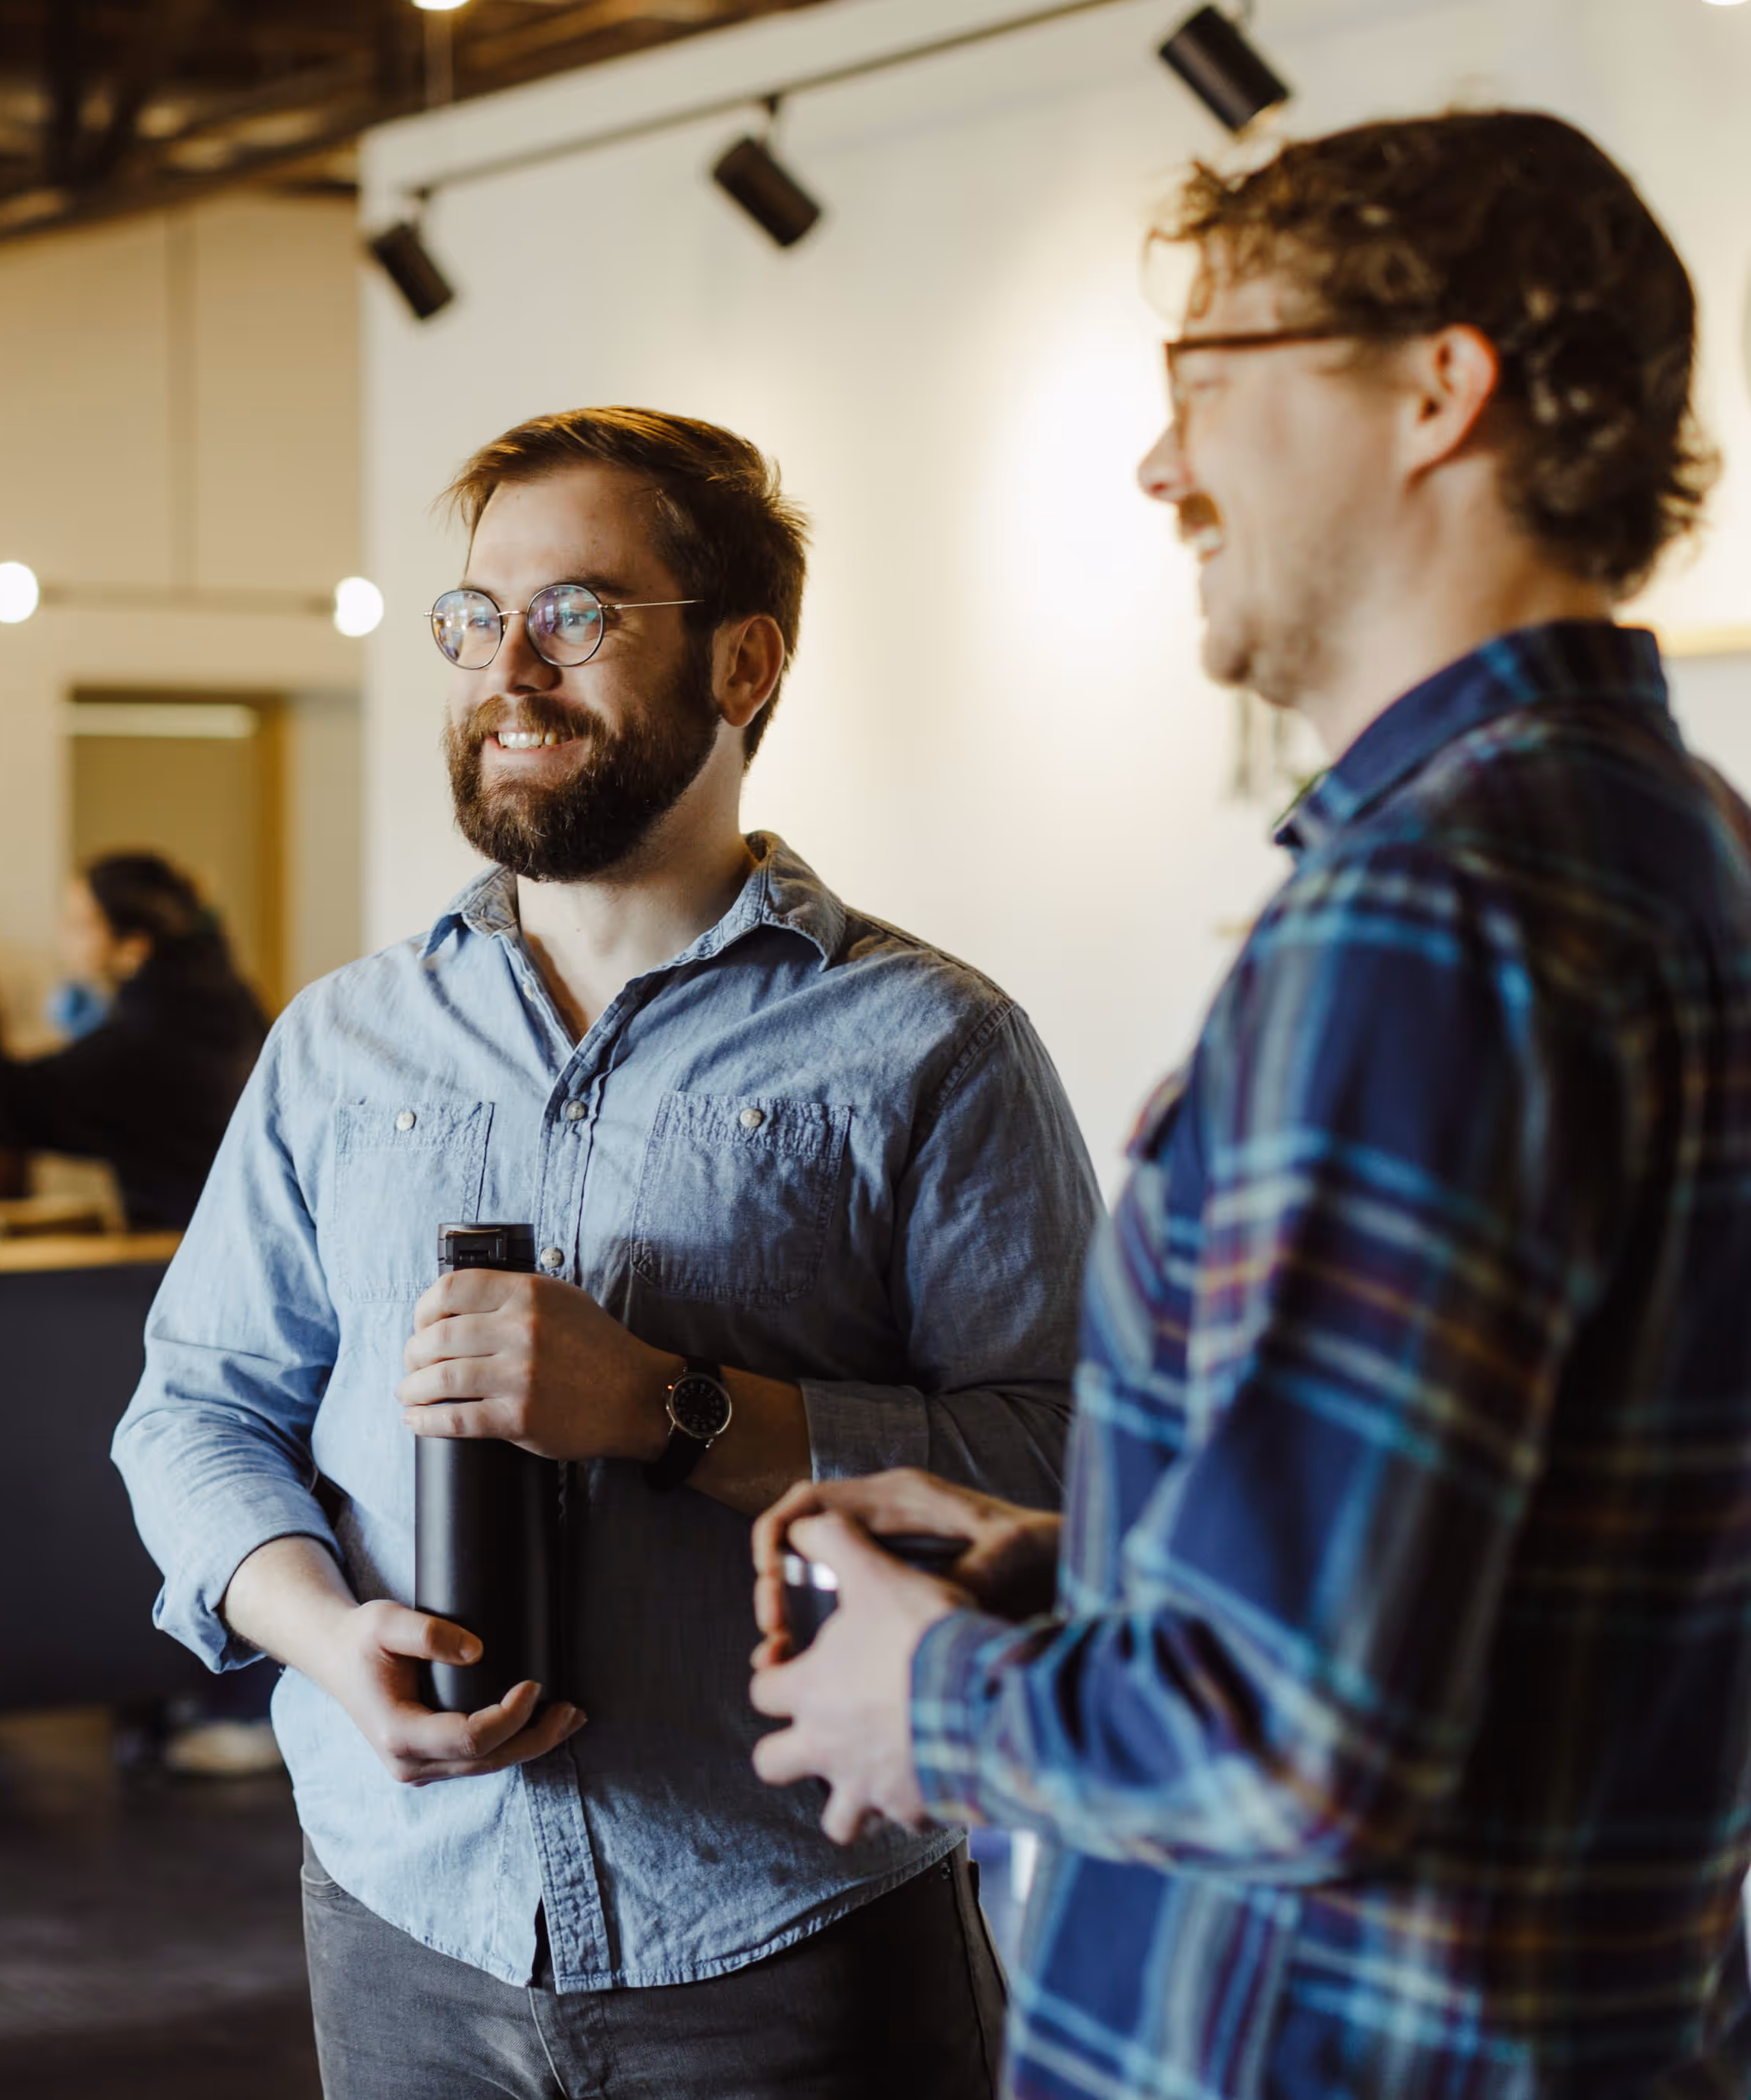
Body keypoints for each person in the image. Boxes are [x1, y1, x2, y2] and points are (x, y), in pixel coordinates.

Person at [747, 111, 1751, 2097]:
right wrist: (1080, 1563)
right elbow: (1494, 1588)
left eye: (1205, 378)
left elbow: (1286, 1744)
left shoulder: (1432, 918)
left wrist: (920, 1697)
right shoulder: (1655, 836)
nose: (1155, 461)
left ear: (1436, 389)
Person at [113, 406, 1104, 2095]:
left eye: (573, 614)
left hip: (788, 1938)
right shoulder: (342, 1042)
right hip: (399, 1922)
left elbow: (1059, 1468)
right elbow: (193, 1410)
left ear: (742, 661)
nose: (506, 667)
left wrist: (671, 1407)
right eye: (471, 619)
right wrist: (325, 1638)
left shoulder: (926, 1046)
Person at [0, 851, 271, 1231]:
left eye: (78, 924)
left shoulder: (154, 1033)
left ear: (134, 944)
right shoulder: (229, 998)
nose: (61, 934)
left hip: (190, 1254)